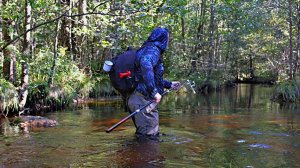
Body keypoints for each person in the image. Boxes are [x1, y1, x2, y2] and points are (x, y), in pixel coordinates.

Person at [128, 27, 180, 138]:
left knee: (148, 137)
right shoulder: (153, 50)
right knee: (149, 141)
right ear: (163, 39)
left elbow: (150, 76)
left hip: (139, 100)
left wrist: (169, 84)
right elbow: (145, 64)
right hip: (143, 102)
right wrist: (154, 92)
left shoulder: (147, 49)